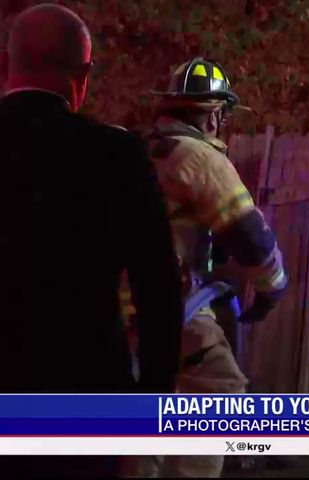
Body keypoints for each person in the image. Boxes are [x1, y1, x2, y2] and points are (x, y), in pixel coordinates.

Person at [0, 4, 183, 477]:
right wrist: (150, 403)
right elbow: (159, 288)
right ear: (82, 78)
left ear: (5, 65)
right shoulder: (115, 155)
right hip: (85, 402)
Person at [125, 57, 287, 478]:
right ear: (214, 115)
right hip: (174, 310)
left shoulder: (134, 150)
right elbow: (251, 238)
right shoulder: (200, 158)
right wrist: (272, 290)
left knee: (149, 411)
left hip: (121, 311)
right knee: (220, 392)